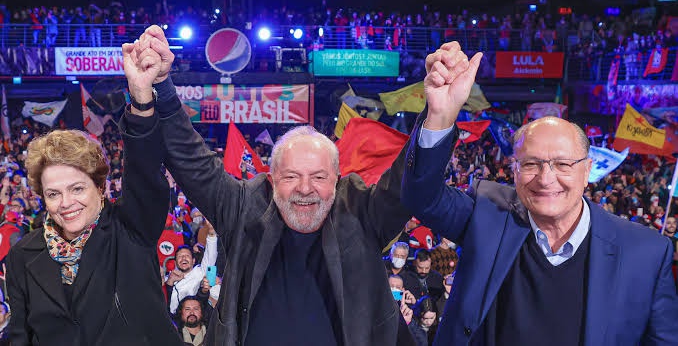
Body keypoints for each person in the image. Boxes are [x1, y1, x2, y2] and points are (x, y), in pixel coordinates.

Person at [122, 25, 419, 345]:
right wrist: (162, 86)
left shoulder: (362, 210)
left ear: (337, 177)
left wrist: (440, 117)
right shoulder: (243, 205)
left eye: (318, 177)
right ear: (272, 178)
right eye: (291, 176)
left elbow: (410, 185)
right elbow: (191, 161)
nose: (305, 188)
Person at [401, 41, 678, 345]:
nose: (547, 179)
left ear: (588, 170)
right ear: (514, 169)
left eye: (563, 164)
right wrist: (440, 115)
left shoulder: (645, 252)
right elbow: (422, 198)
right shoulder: (487, 214)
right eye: (531, 163)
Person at [5, 129, 182, 339]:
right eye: (53, 194)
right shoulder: (22, 254)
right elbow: (20, 335)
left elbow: (145, 171)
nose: (66, 203)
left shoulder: (131, 228)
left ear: (100, 188)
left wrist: (141, 107)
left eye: (77, 189)